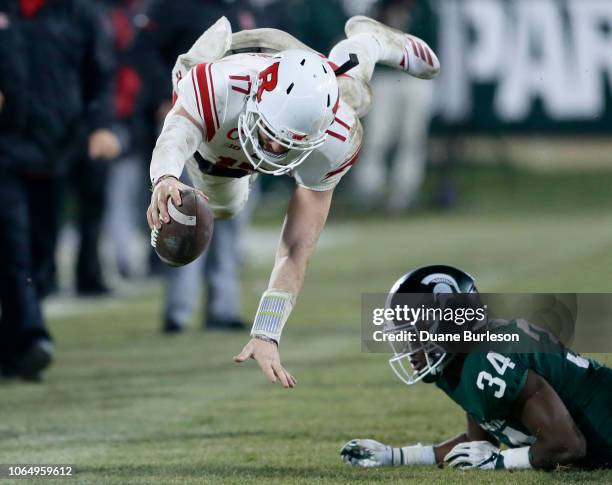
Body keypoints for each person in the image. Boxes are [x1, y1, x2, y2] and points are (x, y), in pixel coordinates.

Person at [146, 16, 440, 387]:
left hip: (302, 67)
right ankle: (366, 44)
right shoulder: (215, 90)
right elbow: (175, 135)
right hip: (238, 65)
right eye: (271, 137)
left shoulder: (336, 136)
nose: (274, 150)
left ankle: (368, 41)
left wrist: (267, 332)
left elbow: (298, 246)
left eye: (288, 144)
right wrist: (166, 178)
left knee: (354, 96)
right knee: (224, 208)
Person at [340, 265, 612, 470]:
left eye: (416, 335)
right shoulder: (457, 364)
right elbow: (479, 443)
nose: (410, 348)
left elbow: (567, 445)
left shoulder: (488, 360)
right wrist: (395, 456)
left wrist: (501, 461)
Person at [0, 0, 118, 380]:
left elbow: (100, 76)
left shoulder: (79, 13)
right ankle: (35, 337)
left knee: (41, 258)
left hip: (57, 151)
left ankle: (13, 350)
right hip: (5, 150)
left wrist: (101, 125)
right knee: (13, 247)